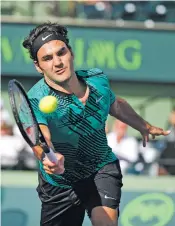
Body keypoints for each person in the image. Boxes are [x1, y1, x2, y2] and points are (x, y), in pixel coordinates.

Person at [22, 22, 170, 226]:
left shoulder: (97, 79)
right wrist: (49, 157)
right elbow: (40, 138)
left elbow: (115, 104)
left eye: (61, 52)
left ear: (71, 52)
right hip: (59, 185)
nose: (57, 62)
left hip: (100, 168)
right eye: (47, 58)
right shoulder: (35, 100)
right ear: (39, 67)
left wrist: (143, 125)